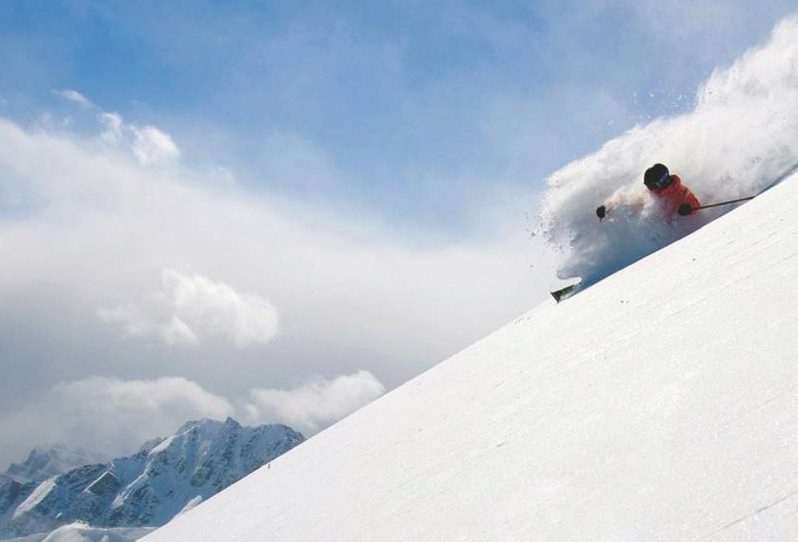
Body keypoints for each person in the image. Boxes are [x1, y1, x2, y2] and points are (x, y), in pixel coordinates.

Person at [596, 163, 700, 220]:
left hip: (673, 231)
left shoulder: (680, 191)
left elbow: (695, 205)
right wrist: (607, 207)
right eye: (648, 186)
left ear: (663, 181)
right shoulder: (648, 194)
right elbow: (625, 200)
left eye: (653, 186)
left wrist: (688, 208)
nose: (651, 189)